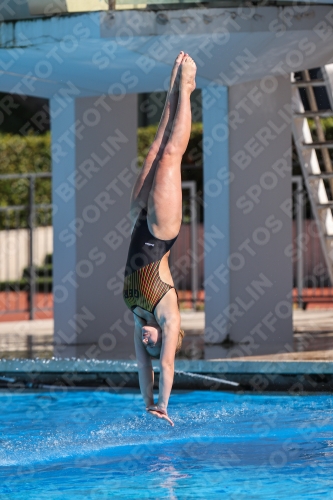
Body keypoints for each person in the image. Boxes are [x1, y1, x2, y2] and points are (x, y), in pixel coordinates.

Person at [123, 52, 197, 426]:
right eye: (156, 343)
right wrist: (165, 406)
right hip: (161, 231)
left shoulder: (138, 320)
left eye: (148, 344)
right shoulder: (168, 316)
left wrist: (147, 403)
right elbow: (164, 365)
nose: (149, 344)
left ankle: (171, 85)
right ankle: (186, 89)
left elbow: (143, 369)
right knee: (171, 154)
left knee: (154, 148)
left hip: (139, 220)